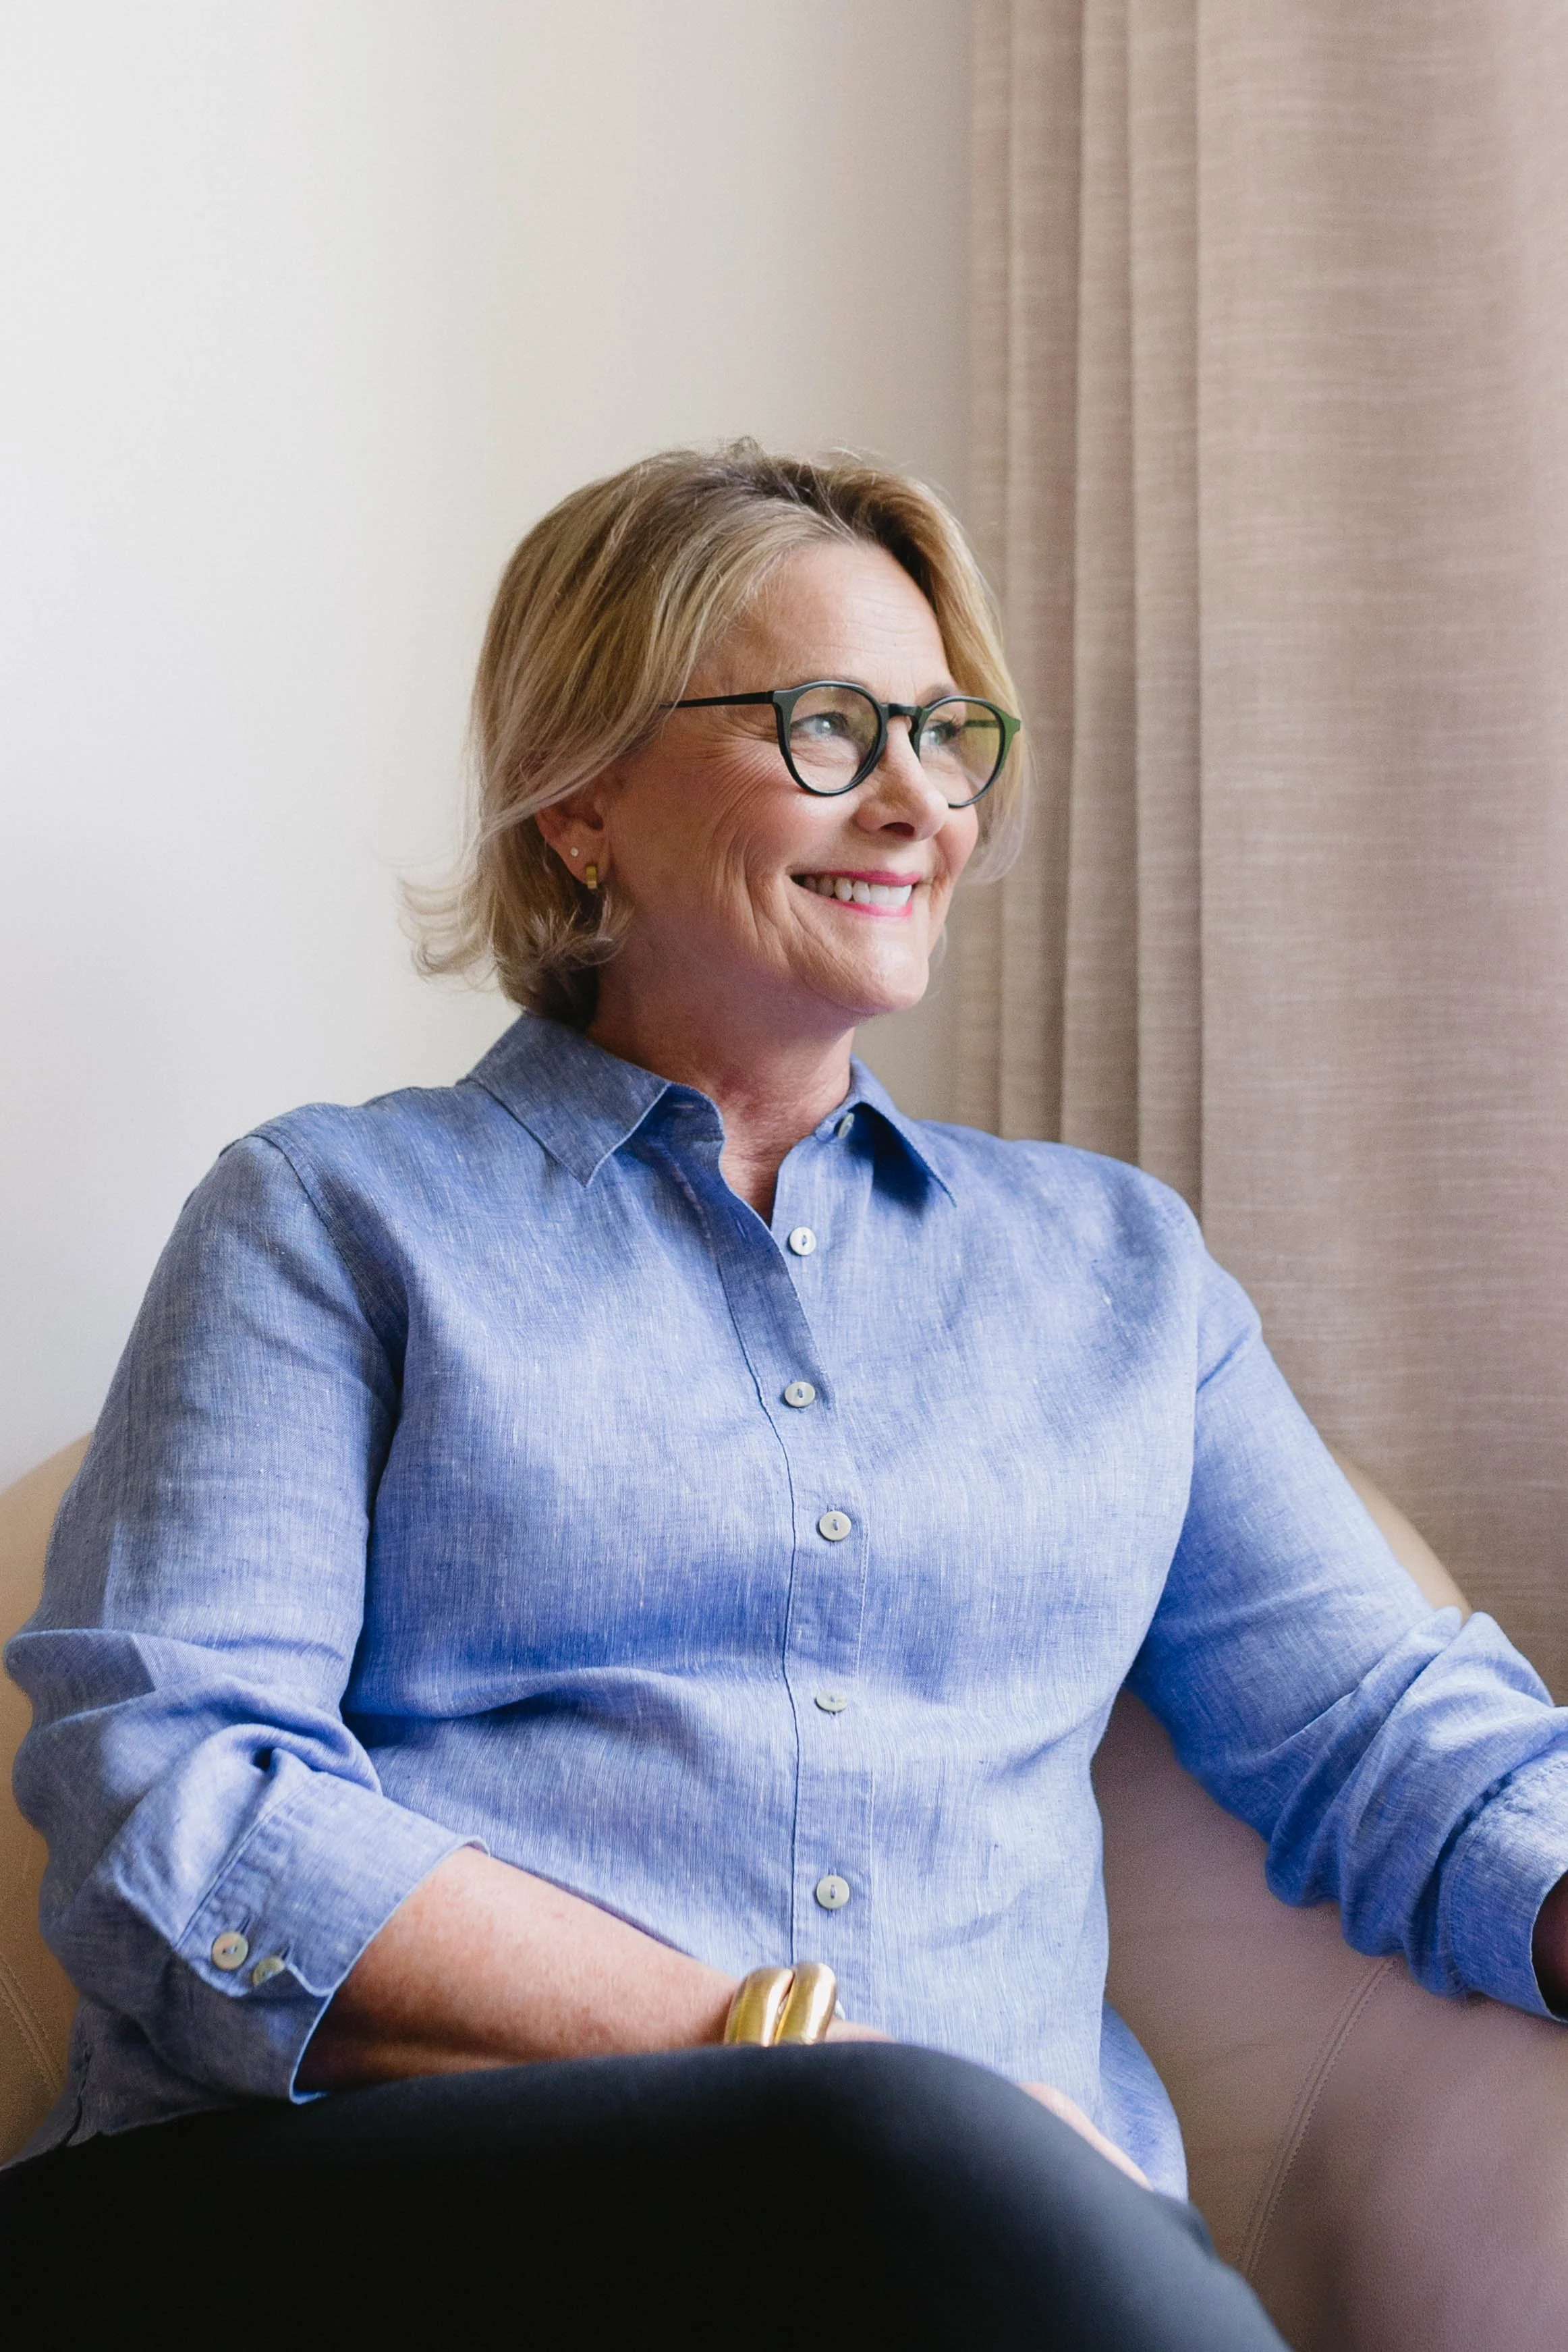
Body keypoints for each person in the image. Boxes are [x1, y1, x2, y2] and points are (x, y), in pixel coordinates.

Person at [6, 443, 1568, 2350]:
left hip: (975, 2263)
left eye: (947, 734)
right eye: (828, 727)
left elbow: (1387, 1739)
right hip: (394, 2216)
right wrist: (774, 2048)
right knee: (914, 2147)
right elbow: (177, 1793)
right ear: (577, 794)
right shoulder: (329, 1219)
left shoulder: (1120, 1276)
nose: (917, 801)